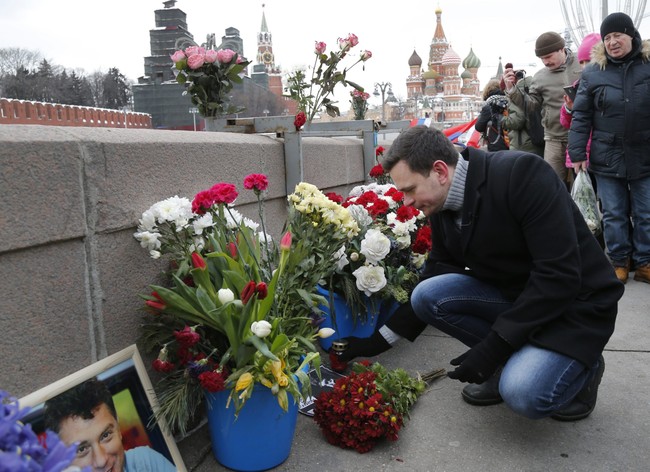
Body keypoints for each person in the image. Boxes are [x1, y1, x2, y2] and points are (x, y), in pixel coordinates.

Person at [381, 125, 623, 422]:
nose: (405, 201)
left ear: (440, 171)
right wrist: (380, 339)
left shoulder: (522, 174)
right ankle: (510, 361)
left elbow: (558, 276)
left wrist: (492, 349)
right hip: (519, 297)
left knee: (523, 394)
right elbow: (439, 269)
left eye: (409, 189)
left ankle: (586, 368)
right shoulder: (444, 200)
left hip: (575, 306)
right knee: (428, 295)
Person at [567, 12, 650, 285]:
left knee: (645, 211)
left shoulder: (648, 66)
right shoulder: (593, 72)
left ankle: (645, 260)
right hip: (607, 154)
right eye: (608, 37)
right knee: (613, 212)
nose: (613, 42)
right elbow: (580, 116)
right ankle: (618, 260)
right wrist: (577, 153)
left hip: (644, 152)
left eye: (618, 35)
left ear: (631, 35)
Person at [504, 31, 583, 189]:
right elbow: (531, 105)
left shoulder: (582, 63)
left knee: (583, 185)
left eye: (548, 57)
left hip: (583, 135)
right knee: (552, 184)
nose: (545, 62)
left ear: (561, 49)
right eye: (542, 58)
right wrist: (512, 90)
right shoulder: (540, 77)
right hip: (554, 137)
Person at [44, 379, 177, 472]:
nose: (101, 461)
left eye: (106, 435)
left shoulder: (146, 463)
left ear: (118, 428)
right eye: (81, 449)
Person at [500, 66, 544, 157]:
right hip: (539, 141)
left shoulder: (517, 96)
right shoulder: (535, 92)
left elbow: (517, 121)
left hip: (522, 145)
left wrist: (500, 119)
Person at [474, 79, 509, 151]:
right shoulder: (509, 102)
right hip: (511, 144)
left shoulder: (489, 105)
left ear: (487, 91)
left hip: (496, 146)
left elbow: (478, 127)